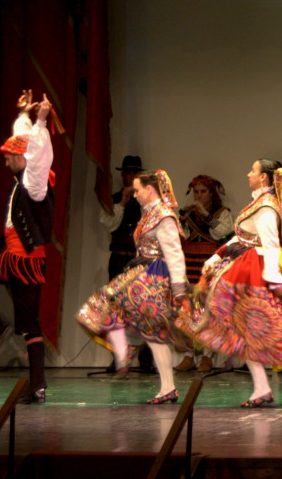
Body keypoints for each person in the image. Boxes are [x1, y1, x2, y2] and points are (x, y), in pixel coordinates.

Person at [176, 160, 282, 407]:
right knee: (242, 328)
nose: (248, 173)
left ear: (263, 178)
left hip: (253, 270)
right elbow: (241, 238)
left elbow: (270, 244)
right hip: (243, 265)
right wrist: (216, 255)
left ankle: (260, 385)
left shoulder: (266, 207)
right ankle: (261, 386)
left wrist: (273, 279)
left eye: (253, 170)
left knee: (242, 325)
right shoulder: (258, 203)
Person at [0, 90, 55, 404]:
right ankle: (1, 327)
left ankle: (36, 383)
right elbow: (25, 143)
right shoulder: (22, 181)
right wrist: (23, 115)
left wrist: (41, 120)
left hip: (23, 259)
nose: (5, 160)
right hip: (18, 259)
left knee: (29, 325)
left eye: (8, 156)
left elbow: (39, 154)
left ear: (20, 158)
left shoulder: (34, 182)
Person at [77, 170, 189, 404]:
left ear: (150, 190)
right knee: (115, 310)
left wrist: (178, 288)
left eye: (138, 190)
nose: (134, 194)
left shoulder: (164, 217)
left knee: (150, 330)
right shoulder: (148, 214)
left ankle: (161, 382)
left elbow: (175, 254)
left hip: (154, 277)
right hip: (140, 274)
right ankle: (130, 354)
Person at [175, 174, 234, 372]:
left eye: (203, 192)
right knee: (189, 308)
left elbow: (223, 234)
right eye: (196, 192)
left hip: (209, 262)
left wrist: (206, 215)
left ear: (212, 193)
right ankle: (189, 355)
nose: (199, 196)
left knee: (210, 308)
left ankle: (208, 356)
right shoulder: (188, 212)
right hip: (190, 261)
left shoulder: (222, 212)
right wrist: (182, 219)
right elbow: (181, 237)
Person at [99, 156, 146, 279]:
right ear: (122, 175)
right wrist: (122, 203)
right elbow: (108, 224)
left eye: (135, 173)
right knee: (116, 296)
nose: (131, 177)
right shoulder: (114, 199)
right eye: (128, 173)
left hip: (138, 258)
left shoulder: (146, 200)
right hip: (118, 259)